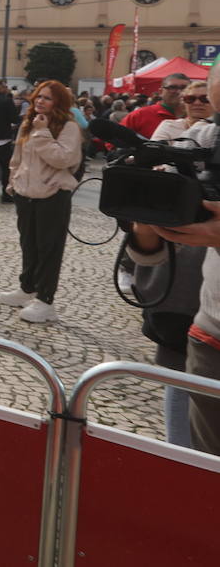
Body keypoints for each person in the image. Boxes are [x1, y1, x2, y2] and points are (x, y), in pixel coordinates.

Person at [120, 60, 220, 455]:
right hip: (207, 333)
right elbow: (149, 254)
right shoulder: (199, 141)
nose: (197, 103)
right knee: (198, 465)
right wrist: (147, 227)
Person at [0, 80, 83, 323]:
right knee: (28, 244)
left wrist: (43, 133)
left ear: (59, 102)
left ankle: (45, 300)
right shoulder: (29, 123)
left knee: (49, 248)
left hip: (53, 194)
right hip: (25, 193)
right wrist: (13, 182)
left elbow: (63, 159)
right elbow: (17, 158)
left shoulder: (68, 127)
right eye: (38, 96)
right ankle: (27, 288)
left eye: (47, 98)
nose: (40, 101)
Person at [123, 72, 190, 138]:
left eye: (184, 88)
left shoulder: (194, 117)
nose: (179, 91)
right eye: (172, 87)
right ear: (161, 92)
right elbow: (118, 142)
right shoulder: (139, 116)